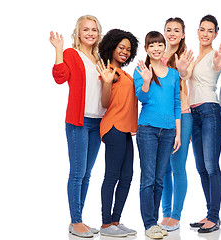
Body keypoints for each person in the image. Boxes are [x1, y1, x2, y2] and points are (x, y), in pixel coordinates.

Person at [50, 15, 103, 238]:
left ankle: (79, 219)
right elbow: (60, 78)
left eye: (94, 30)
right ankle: (76, 221)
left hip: (97, 122)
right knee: (77, 172)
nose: (90, 33)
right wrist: (59, 50)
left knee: (87, 173)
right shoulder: (72, 54)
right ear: (78, 33)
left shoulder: (99, 58)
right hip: (78, 122)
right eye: (86, 30)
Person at [134, 31, 185, 239]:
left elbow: (176, 103)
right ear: (147, 49)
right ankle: (149, 224)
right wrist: (146, 80)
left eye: (159, 44)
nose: (155, 48)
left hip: (169, 131)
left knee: (160, 179)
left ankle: (154, 222)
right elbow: (142, 97)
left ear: (164, 47)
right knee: (148, 178)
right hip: (147, 129)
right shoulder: (142, 70)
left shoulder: (173, 74)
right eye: (151, 45)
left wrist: (178, 133)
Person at [188, 15, 221, 234]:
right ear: (197, 31)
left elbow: (217, 67)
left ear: (215, 34)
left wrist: (218, 64)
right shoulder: (194, 55)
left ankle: (214, 217)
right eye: (202, 30)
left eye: (210, 31)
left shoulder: (216, 55)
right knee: (201, 167)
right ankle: (209, 213)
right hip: (194, 114)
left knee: (211, 165)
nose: (205, 34)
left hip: (210, 111)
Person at [96, 29, 139, 237]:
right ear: (111, 47)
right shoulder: (109, 71)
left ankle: (115, 220)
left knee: (127, 176)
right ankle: (106, 225)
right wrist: (106, 82)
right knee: (112, 176)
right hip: (113, 127)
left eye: (128, 49)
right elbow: (105, 103)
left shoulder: (125, 73)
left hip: (126, 130)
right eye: (121, 47)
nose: (124, 51)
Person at [160, 17, 194, 232]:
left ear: (183, 34)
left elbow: (186, 74)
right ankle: (165, 213)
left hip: (182, 115)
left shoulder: (185, 55)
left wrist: (181, 69)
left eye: (177, 30)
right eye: (168, 30)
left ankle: (176, 215)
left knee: (177, 167)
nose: (172, 33)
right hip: (161, 119)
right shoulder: (157, 53)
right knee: (163, 169)